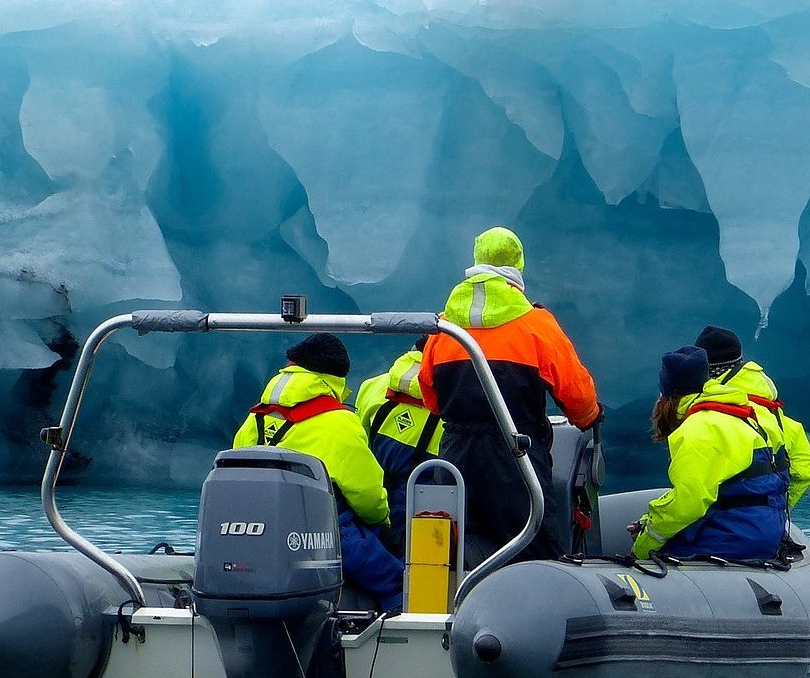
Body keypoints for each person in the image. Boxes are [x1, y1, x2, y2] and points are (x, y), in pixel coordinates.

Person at [418, 226, 600, 563]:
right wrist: (590, 416)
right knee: (534, 549)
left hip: (455, 454)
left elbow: (430, 396)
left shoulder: (444, 329)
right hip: (516, 457)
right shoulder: (536, 325)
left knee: (455, 551)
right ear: (517, 267)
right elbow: (577, 394)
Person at [232, 332, 404, 611]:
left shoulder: (257, 418)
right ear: (337, 377)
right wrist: (384, 523)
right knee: (393, 578)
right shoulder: (339, 422)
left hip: (257, 533)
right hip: (323, 533)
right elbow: (368, 496)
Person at [631, 346, 790, 561]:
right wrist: (646, 520)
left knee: (652, 559)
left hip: (733, 538)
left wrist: (642, 547)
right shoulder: (745, 417)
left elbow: (689, 503)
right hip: (766, 532)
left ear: (668, 395)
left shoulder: (698, 429)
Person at [693, 325, 810, 509]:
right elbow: (805, 469)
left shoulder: (708, 417)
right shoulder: (776, 415)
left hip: (724, 525)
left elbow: (693, 492)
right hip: (769, 522)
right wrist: (780, 507)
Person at [353, 338, 445, 536]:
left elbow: (361, 452)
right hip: (431, 521)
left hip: (375, 516)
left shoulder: (371, 386)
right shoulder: (457, 398)